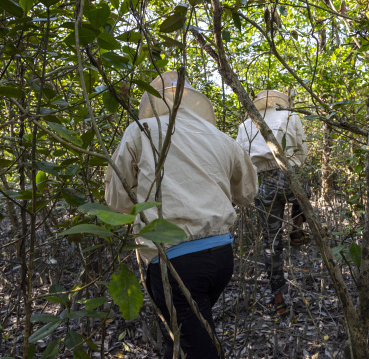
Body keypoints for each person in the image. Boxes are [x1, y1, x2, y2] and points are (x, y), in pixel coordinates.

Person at [104, 71, 258, 358]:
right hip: (221, 256)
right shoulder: (220, 137)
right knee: (180, 338)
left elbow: (117, 201)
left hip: (175, 263)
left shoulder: (141, 130)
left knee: (196, 347)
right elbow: (247, 193)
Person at [236, 90, 308, 316]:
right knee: (304, 191)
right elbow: (302, 152)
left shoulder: (246, 125)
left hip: (264, 183)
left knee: (271, 242)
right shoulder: (290, 116)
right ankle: (297, 229)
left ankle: (278, 301)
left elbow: (241, 158)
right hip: (289, 176)